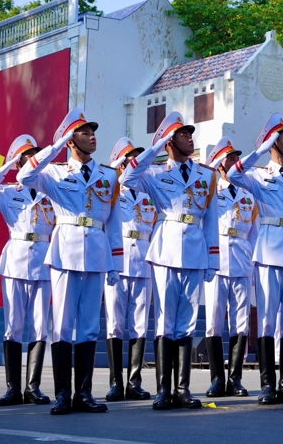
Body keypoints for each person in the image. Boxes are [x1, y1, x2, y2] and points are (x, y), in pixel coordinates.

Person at [18, 108, 123, 415]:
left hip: (97, 253)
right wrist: (54, 147)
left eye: (93, 132)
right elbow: (24, 176)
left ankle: (85, 393)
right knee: (63, 326)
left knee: (90, 327)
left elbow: (114, 222)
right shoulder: (53, 173)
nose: (92, 137)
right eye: (84, 133)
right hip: (65, 251)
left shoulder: (109, 175)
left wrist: (115, 261)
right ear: (70, 140)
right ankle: (64, 393)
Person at [120, 112, 219, 410]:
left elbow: (211, 220)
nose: (190, 137)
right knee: (165, 320)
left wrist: (212, 258)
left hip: (195, 248)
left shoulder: (207, 174)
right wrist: (155, 148)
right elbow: (127, 177)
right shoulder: (155, 173)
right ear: (169, 141)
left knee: (187, 322)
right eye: (182, 134)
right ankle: (164, 389)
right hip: (165, 247)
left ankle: (182, 388)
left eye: (190, 133)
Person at [227, 113, 283, 406]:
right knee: (266, 320)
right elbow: (233, 175)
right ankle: (267, 384)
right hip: (267, 250)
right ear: (273, 142)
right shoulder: (257, 174)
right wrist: (260, 150)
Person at [0, 135, 54, 406]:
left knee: (39, 327)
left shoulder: (50, 190)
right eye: (25, 155)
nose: (32, 159)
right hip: (15, 261)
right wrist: (7, 166)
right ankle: (13, 387)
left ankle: (32, 387)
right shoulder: (8, 192)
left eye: (34, 154)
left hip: (44, 261)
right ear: (17, 161)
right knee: (13, 327)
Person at [202, 136, 256, 399]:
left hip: (242, 260)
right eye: (231, 158)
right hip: (217, 260)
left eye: (237, 158)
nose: (236, 162)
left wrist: (253, 265)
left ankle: (235, 378)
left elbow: (254, 234)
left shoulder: (248, 196)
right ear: (220, 164)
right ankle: (216, 379)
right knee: (213, 323)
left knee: (241, 323)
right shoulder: (212, 191)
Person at [104, 137, 154, 402]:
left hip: (143, 262)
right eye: (131, 160)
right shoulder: (111, 193)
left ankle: (134, 382)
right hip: (118, 261)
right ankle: (115, 383)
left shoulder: (148, 197)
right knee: (114, 324)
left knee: (139, 325)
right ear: (121, 165)